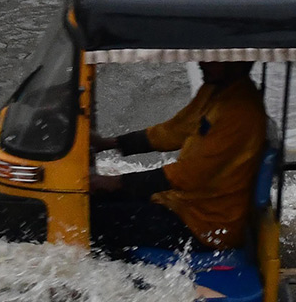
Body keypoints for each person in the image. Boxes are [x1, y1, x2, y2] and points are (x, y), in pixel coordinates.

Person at [89, 61, 268, 259]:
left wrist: (116, 182)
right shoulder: (215, 91)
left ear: (236, 62)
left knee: (94, 221)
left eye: (212, 59)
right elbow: (173, 131)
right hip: (182, 204)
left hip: (205, 228)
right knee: (96, 200)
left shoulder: (240, 113)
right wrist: (108, 143)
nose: (201, 63)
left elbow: (188, 175)